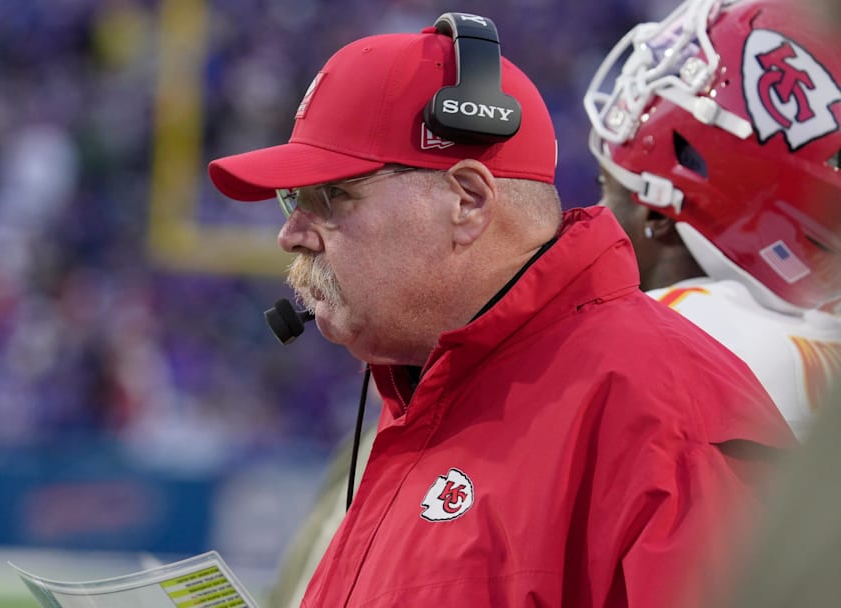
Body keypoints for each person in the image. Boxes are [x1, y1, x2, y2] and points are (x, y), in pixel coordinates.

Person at [208, 11, 795, 607]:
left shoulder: (665, 418)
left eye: (329, 196)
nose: (290, 235)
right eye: (293, 200)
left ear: (467, 201)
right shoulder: (425, 387)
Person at [583, 0, 841, 442]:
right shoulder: (817, 347)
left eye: (609, 188)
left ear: (658, 214)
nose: (596, 214)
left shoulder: (652, 346)